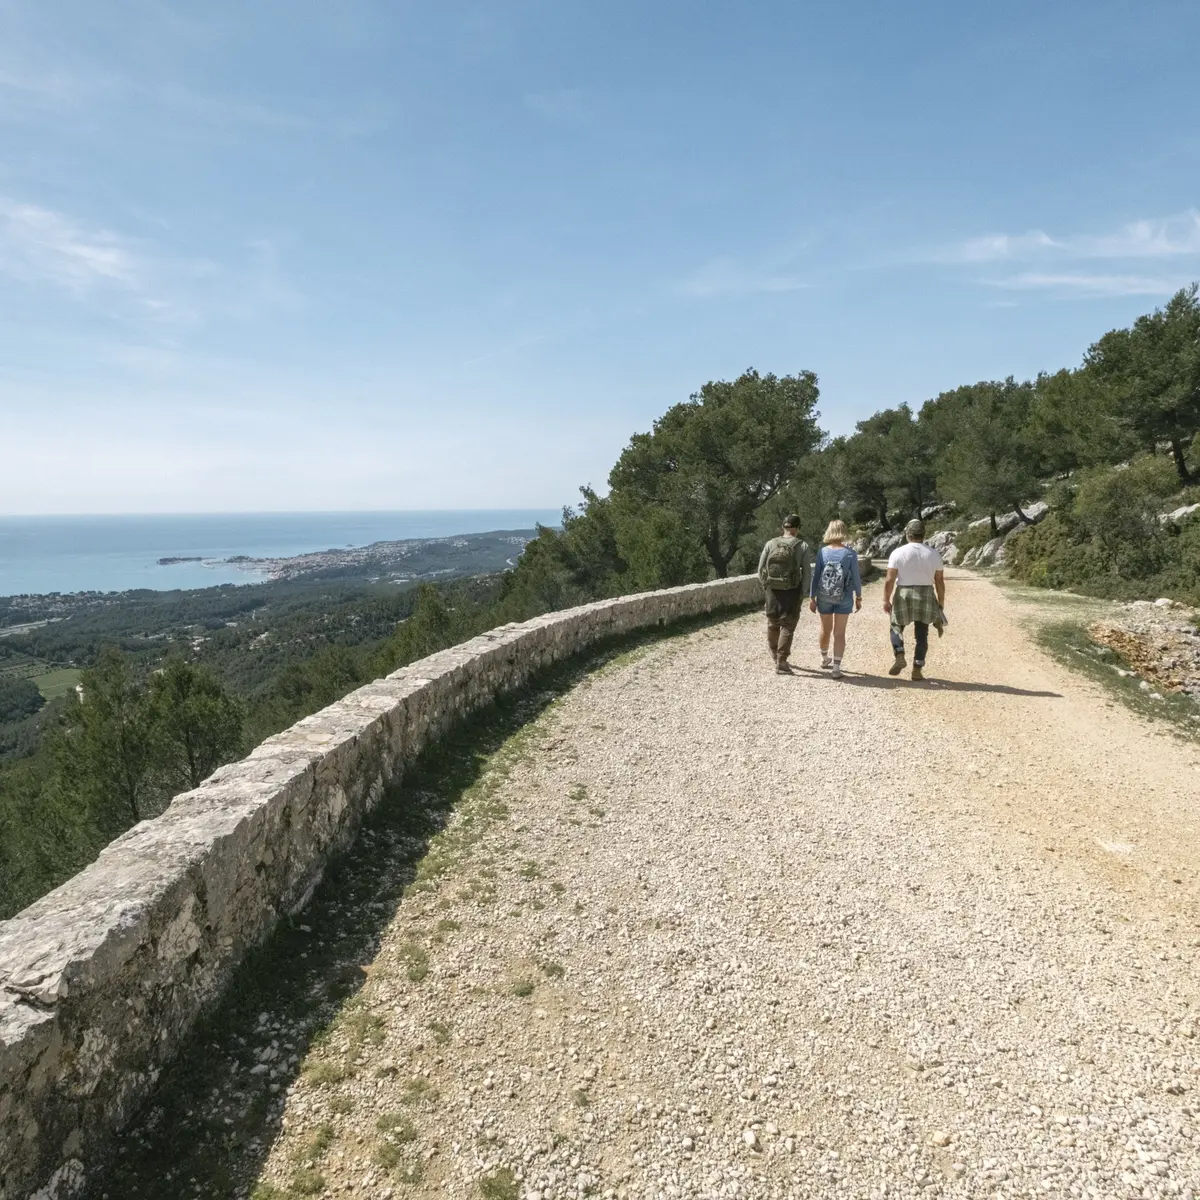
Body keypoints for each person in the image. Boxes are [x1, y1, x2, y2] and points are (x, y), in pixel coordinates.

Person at [882, 518, 946, 681]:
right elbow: (939, 581)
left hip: (904, 593)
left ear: (907, 534)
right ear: (923, 534)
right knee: (922, 634)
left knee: (896, 626)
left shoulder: (897, 553)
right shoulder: (933, 554)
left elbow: (890, 579)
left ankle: (899, 654)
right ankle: (917, 669)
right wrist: (941, 603)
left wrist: (885, 599)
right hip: (925, 594)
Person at [757, 514, 812, 674]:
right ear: (797, 529)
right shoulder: (802, 546)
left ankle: (774, 654)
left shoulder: (770, 543)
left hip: (772, 590)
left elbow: (760, 569)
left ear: (783, 527)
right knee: (787, 626)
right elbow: (807, 573)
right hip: (792, 591)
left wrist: (766, 587)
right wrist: (803, 593)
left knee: (773, 623)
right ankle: (781, 661)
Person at [808, 519, 862, 678]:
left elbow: (816, 575)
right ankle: (836, 668)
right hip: (844, 597)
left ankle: (825, 659)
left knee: (825, 629)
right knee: (839, 633)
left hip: (824, 596)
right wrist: (858, 596)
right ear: (844, 532)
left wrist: (812, 597)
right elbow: (857, 578)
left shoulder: (822, 552)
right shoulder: (850, 553)